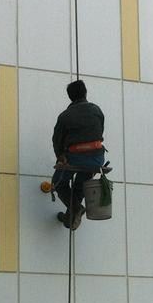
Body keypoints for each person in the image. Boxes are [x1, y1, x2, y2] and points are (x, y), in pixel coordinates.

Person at [52, 80, 105, 230]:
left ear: (70, 96)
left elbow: (57, 140)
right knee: (80, 186)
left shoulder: (65, 116)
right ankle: (69, 218)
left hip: (75, 158)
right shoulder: (96, 110)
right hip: (96, 159)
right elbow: (100, 131)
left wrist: (60, 156)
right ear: (85, 92)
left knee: (58, 183)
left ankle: (76, 208)